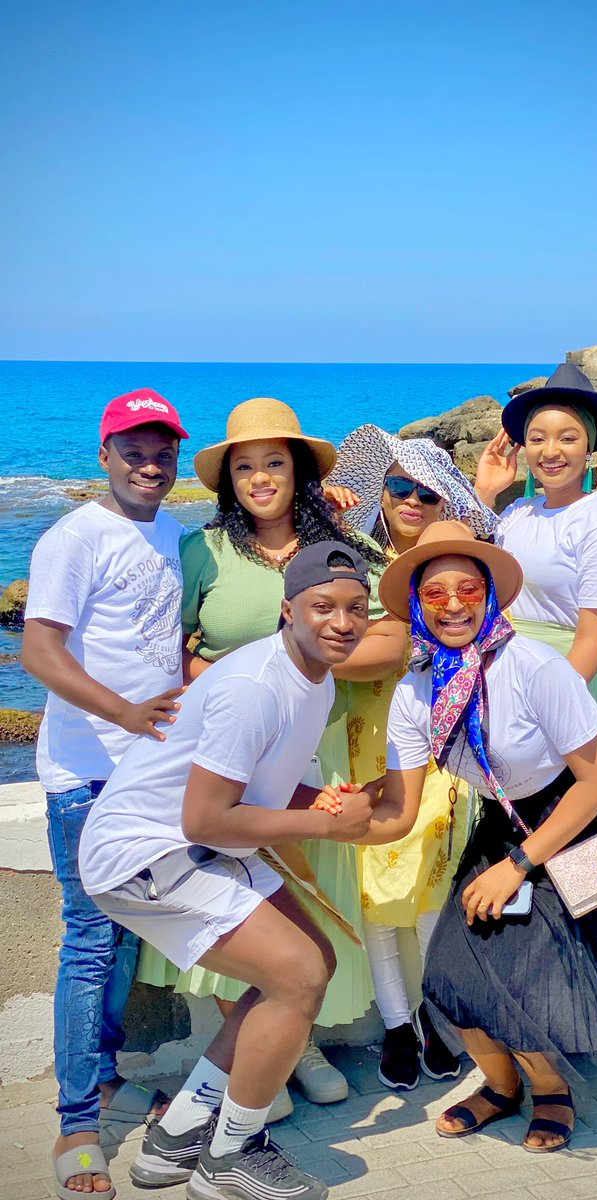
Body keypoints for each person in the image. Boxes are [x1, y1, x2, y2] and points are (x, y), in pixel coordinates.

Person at [371, 521, 597, 1152]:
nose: (453, 605)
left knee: (529, 973)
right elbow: (398, 807)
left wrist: (518, 864)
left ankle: (551, 1091)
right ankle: (501, 1087)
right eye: (435, 594)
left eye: (468, 589)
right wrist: (328, 816)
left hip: (587, 813)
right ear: (416, 605)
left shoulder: (534, 667)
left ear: (490, 595)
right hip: (510, 817)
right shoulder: (416, 691)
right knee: (451, 971)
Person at [79, 543, 377, 1200]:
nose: (342, 622)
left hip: (192, 843)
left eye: (356, 608)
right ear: (288, 610)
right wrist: (325, 825)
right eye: (323, 607)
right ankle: (231, 1156)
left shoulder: (315, 678)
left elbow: (263, 789)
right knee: (296, 975)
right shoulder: (254, 686)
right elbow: (207, 820)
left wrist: (329, 802)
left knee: (313, 963)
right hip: (142, 854)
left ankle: (178, 1136)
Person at [135, 398, 404, 1113]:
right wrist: (245, 678)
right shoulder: (205, 552)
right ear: (229, 482)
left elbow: (393, 638)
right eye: (244, 467)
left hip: (319, 754)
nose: (260, 478)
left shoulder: (342, 546)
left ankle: (295, 1043)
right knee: (232, 904)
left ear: (299, 472)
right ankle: (258, 1062)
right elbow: (171, 651)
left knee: (301, 911)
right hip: (226, 759)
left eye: (274, 462)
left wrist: (304, 660)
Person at [22, 389, 189, 1199]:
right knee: (90, 939)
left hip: (150, 773)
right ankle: (77, 1121)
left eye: (162, 452)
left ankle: (109, 1073)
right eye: (134, 451)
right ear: (104, 455)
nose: (149, 465)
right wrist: (123, 712)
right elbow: (39, 651)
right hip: (87, 775)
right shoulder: (73, 537)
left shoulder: (175, 533)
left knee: (126, 936)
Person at [327, 424, 496, 1088]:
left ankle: (435, 1014)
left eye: (427, 493)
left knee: (431, 887)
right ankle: (398, 1024)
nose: (411, 501)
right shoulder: (351, 558)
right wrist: (325, 509)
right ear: (380, 491)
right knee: (373, 890)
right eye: (399, 487)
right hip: (361, 740)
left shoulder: (450, 564)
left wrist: (485, 495)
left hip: (438, 744)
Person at [474, 364, 597, 741]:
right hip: (501, 686)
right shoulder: (516, 512)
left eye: (567, 438)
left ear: (589, 448)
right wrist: (484, 492)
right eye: (537, 439)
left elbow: (592, 642)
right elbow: (468, 571)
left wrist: (537, 716)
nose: (550, 452)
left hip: (562, 696)